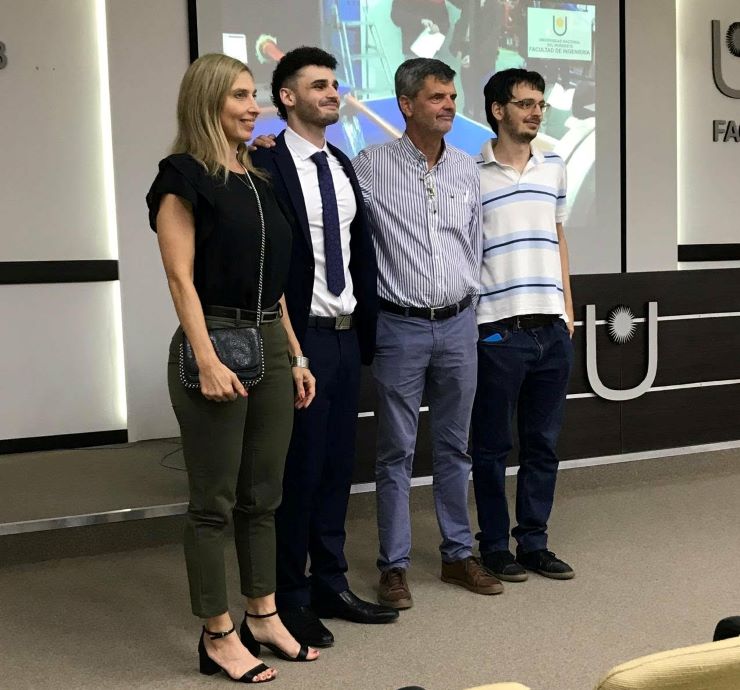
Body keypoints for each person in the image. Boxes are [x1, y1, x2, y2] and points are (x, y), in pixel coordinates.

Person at [146, 53, 320, 683]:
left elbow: (274, 282)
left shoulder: (258, 178)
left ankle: (263, 616)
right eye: (241, 96)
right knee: (213, 503)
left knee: (263, 496)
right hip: (215, 338)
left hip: (270, 341)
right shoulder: (181, 177)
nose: (254, 107)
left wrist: (295, 354)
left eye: (254, 95)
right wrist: (205, 357)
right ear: (208, 101)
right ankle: (217, 634)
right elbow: (179, 278)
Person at [249, 46, 398, 648]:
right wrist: (291, 351)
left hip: (344, 336)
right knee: (299, 472)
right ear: (287, 97)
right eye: (318, 85)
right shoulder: (264, 162)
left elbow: (357, 250)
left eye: (334, 84)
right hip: (298, 338)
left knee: (337, 468)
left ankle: (331, 583)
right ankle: (289, 597)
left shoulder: (340, 163)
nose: (333, 93)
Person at [352, 57, 503, 609]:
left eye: (452, 97)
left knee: (454, 447)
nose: (449, 106)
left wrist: (472, 307)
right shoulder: (370, 165)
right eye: (437, 97)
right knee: (396, 450)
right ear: (407, 104)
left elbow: (474, 244)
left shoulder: (467, 168)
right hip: (400, 326)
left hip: (459, 324)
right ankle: (393, 566)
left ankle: (457, 555)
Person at [471, 68, 575, 583]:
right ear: (498, 110)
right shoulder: (471, 174)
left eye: (540, 104)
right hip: (498, 330)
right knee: (491, 447)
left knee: (543, 445)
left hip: (552, 329)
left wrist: (568, 311)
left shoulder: (554, 166)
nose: (536, 112)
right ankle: (494, 546)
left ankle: (533, 542)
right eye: (525, 103)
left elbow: (558, 238)